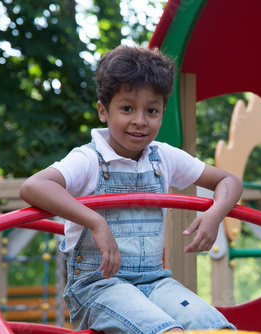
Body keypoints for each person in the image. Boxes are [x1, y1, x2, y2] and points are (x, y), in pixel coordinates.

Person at [19, 45, 243, 333]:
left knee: (215, 328)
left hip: (155, 282)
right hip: (98, 287)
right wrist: (95, 221)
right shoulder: (88, 159)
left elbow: (229, 181)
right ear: (103, 110)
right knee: (168, 331)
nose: (140, 120)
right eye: (127, 108)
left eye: (152, 110)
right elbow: (34, 186)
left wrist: (215, 214)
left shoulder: (163, 156)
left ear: (162, 112)